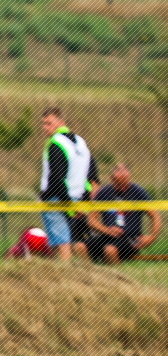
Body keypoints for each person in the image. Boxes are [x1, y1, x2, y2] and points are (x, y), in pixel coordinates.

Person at [38, 106, 97, 262]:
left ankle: (66, 274)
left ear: (61, 122)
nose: (45, 127)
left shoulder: (55, 143)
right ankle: (63, 272)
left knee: (62, 245)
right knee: (62, 242)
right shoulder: (80, 142)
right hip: (76, 199)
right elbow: (89, 178)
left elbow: (56, 178)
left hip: (57, 200)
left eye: (49, 123)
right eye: (43, 123)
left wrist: (68, 204)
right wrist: (83, 202)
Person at [84, 163, 161, 265]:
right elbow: (91, 220)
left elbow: (155, 216)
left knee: (110, 250)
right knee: (80, 247)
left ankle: (117, 273)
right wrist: (107, 230)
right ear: (112, 178)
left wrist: (152, 237)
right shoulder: (104, 192)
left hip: (131, 237)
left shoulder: (138, 192)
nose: (121, 184)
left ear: (129, 177)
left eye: (124, 174)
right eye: (117, 171)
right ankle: (89, 271)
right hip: (108, 235)